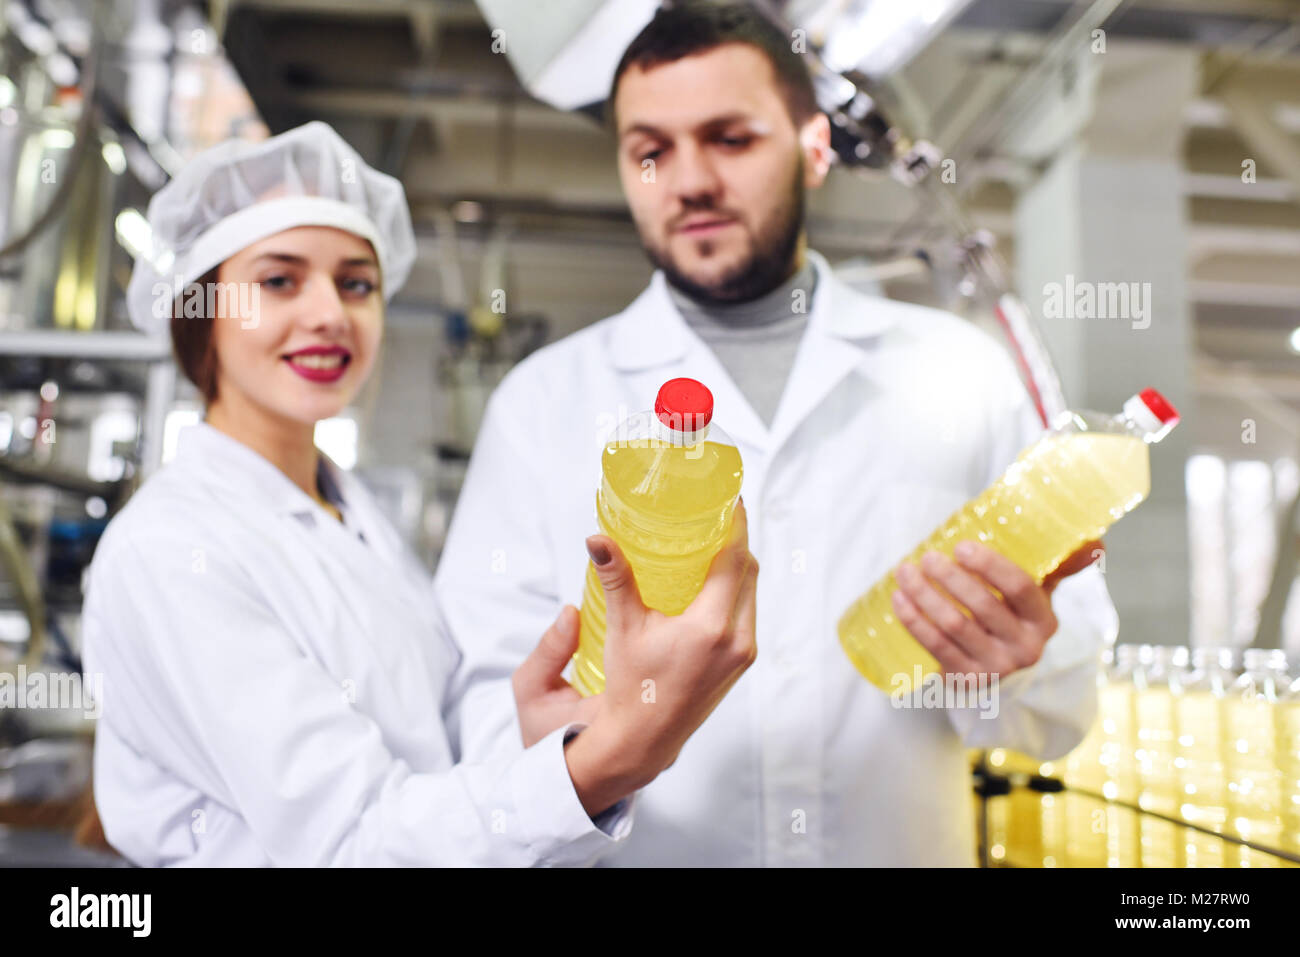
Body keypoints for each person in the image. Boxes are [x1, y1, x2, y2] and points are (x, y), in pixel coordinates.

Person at [432, 3, 1119, 866]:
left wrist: (1011, 667)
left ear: (816, 147)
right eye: (651, 150)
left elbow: (1062, 714)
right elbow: (489, 727)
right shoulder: (543, 405)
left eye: (730, 138)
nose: (688, 181)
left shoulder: (960, 376)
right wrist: (576, 760)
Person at [80, 121, 758, 866]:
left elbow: (422, 768)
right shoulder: (174, 549)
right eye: (279, 280)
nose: (330, 314)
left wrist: (532, 739)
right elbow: (350, 840)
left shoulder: (351, 518)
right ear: (201, 309)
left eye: (356, 283)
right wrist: (605, 762)